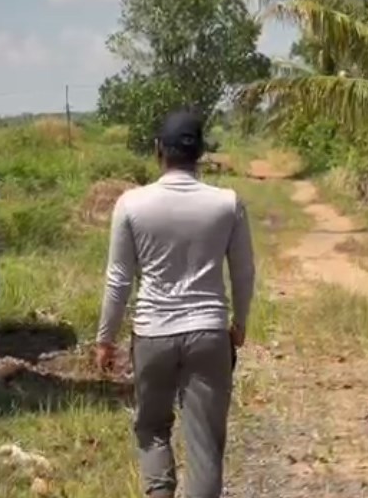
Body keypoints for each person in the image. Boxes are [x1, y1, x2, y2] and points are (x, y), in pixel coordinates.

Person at [94, 109, 256, 498]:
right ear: (200, 152)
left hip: (152, 335)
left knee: (151, 430)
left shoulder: (131, 204)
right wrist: (240, 323)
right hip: (209, 333)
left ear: (157, 151)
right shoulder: (227, 203)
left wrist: (106, 339)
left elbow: (119, 280)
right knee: (205, 445)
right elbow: (244, 271)